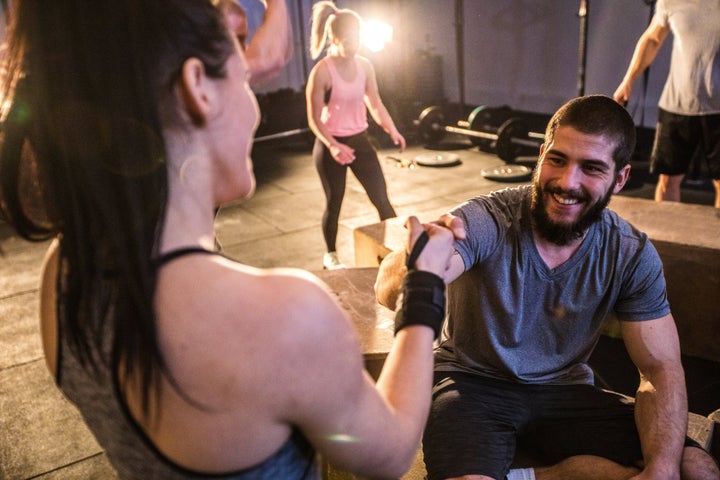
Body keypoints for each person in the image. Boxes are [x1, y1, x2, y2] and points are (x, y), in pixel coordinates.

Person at [0, 1, 457, 479]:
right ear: (199, 87)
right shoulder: (282, 317)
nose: (255, 109)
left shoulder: (62, 275)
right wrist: (423, 288)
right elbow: (390, 453)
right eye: (242, 79)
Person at [375, 95, 720, 480]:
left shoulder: (630, 253)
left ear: (620, 178)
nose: (567, 182)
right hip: (472, 385)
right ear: (541, 155)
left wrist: (662, 469)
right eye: (557, 160)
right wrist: (421, 260)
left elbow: (659, 368)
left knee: (696, 470)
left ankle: (538, 475)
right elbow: (389, 286)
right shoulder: (490, 219)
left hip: (564, 391)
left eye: (590, 168)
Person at [306, 1, 406, 270]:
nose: (355, 45)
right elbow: (314, 119)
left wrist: (392, 130)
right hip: (331, 145)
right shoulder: (322, 71)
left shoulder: (365, 66)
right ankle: (330, 255)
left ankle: (400, 253)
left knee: (382, 199)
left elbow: (375, 103)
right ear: (335, 39)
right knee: (334, 203)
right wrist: (333, 145)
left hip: (360, 141)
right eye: (349, 40)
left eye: (358, 39)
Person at [613, 0, 720, 208]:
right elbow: (652, 39)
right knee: (668, 179)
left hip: (718, 110)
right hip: (677, 105)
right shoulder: (670, 1)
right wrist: (628, 80)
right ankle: (664, 241)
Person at [217, 0, 294, 87]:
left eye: (242, 40)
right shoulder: (210, 77)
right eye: (234, 39)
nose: (243, 48)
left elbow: (283, 52)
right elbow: (269, 59)